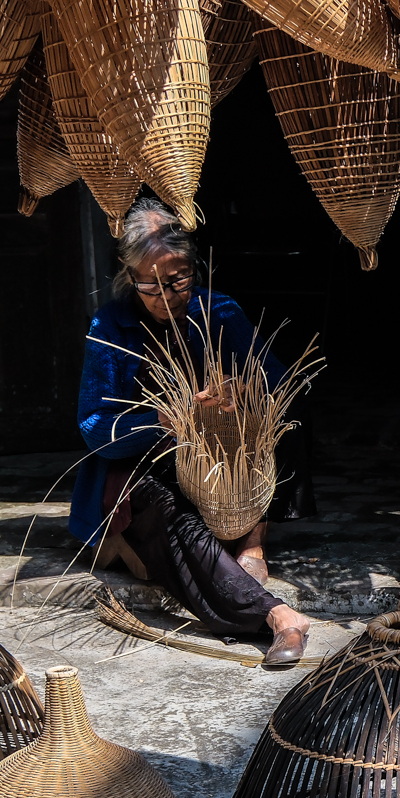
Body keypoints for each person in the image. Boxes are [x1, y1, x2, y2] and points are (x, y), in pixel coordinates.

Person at [68, 199, 317, 666]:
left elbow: (281, 383)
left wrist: (240, 398)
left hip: (225, 459)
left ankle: (251, 539)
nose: (165, 296)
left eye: (177, 280)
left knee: (289, 417)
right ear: (128, 276)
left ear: (194, 268)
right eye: (149, 285)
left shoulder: (220, 312)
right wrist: (163, 420)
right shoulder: (110, 325)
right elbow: (94, 426)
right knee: (168, 510)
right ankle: (279, 616)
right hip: (145, 463)